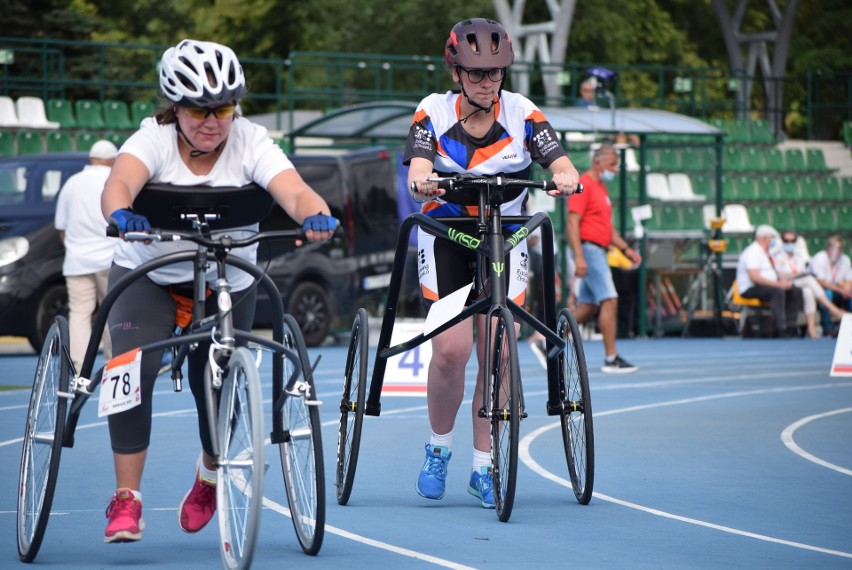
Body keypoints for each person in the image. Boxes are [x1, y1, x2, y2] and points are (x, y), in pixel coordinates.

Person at [98, 39, 338, 543]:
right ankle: (126, 499)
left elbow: (292, 190)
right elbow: (119, 182)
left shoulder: (251, 140)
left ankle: (210, 474)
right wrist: (121, 213)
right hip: (152, 274)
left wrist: (315, 212)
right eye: (198, 110)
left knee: (221, 377)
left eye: (223, 109)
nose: (212, 122)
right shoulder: (152, 139)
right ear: (174, 109)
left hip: (227, 277)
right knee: (132, 368)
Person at [405, 18, 580, 509]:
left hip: (504, 239)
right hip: (447, 236)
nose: (488, 83)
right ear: (456, 72)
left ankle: (485, 465)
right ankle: (439, 447)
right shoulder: (433, 112)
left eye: (496, 74)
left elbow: (558, 160)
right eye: (477, 74)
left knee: (499, 353)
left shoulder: (523, 113)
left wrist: (566, 176)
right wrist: (424, 180)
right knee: (451, 352)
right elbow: (419, 165)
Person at [567, 144, 641, 373]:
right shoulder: (586, 184)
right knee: (609, 300)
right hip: (590, 250)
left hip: (599, 248)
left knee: (588, 306)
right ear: (598, 162)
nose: (615, 169)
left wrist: (627, 249)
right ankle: (611, 358)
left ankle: (549, 338)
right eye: (612, 164)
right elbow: (572, 222)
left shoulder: (600, 187)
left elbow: (608, 229)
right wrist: (579, 256)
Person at [54, 140, 118, 371]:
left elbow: (61, 226)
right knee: (112, 311)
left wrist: (73, 247)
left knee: (80, 314)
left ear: (91, 158)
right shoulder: (115, 181)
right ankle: (114, 365)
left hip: (77, 260)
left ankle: (77, 367)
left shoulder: (72, 183)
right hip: (110, 257)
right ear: (113, 159)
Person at [773, 230, 847, 338]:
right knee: (809, 280)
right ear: (782, 241)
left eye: (792, 240)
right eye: (786, 240)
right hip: (783, 284)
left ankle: (811, 329)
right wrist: (796, 274)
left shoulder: (799, 258)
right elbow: (780, 276)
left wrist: (795, 274)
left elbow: (800, 273)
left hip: (799, 284)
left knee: (808, 292)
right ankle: (833, 310)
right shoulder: (777, 257)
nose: (789, 243)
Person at [735, 225, 802, 337]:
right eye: (772, 237)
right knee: (777, 292)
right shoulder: (753, 252)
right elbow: (755, 277)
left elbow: (775, 273)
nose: (774, 240)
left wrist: (784, 282)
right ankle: (780, 328)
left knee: (795, 291)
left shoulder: (767, 253)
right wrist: (778, 285)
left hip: (768, 286)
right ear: (763, 238)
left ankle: (791, 327)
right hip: (750, 288)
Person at [809, 235, 852, 336]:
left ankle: (848, 325)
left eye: (839, 248)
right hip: (822, 289)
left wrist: (847, 288)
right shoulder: (820, 258)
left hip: (839, 289)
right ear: (828, 247)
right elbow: (821, 281)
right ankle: (827, 327)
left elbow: (849, 279)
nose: (836, 251)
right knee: (827, 294)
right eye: (834, 248)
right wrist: (840, 290)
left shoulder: (845, 259)